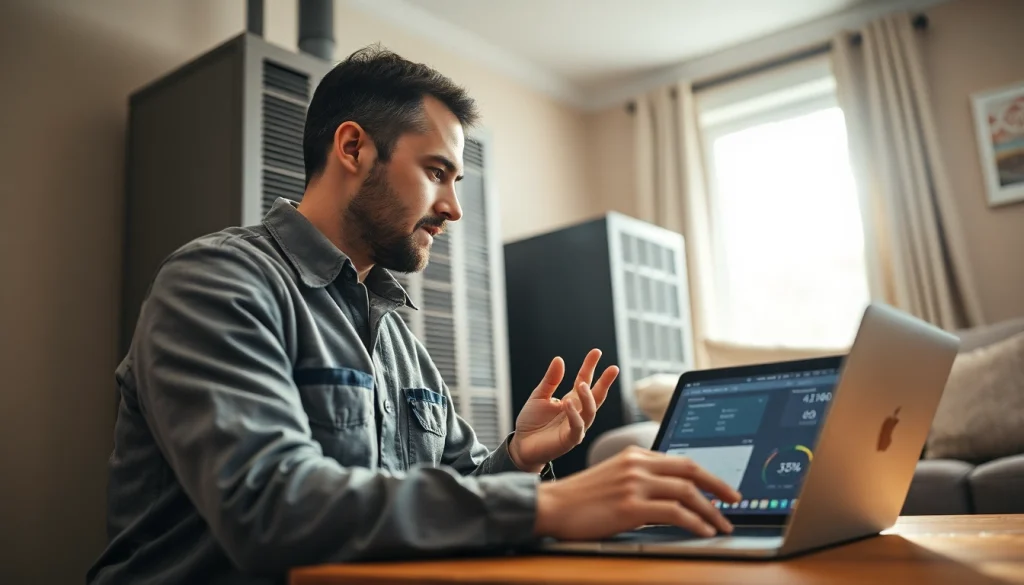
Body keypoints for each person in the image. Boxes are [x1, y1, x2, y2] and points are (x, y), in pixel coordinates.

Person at [87, 45, 741, 585]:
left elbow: (450, 493)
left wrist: (517, 456)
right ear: (353, 149)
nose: (453, 208)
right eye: (437, 172)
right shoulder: (216, 282)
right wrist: (547, 501)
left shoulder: (395, 334)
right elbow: (270, 507)